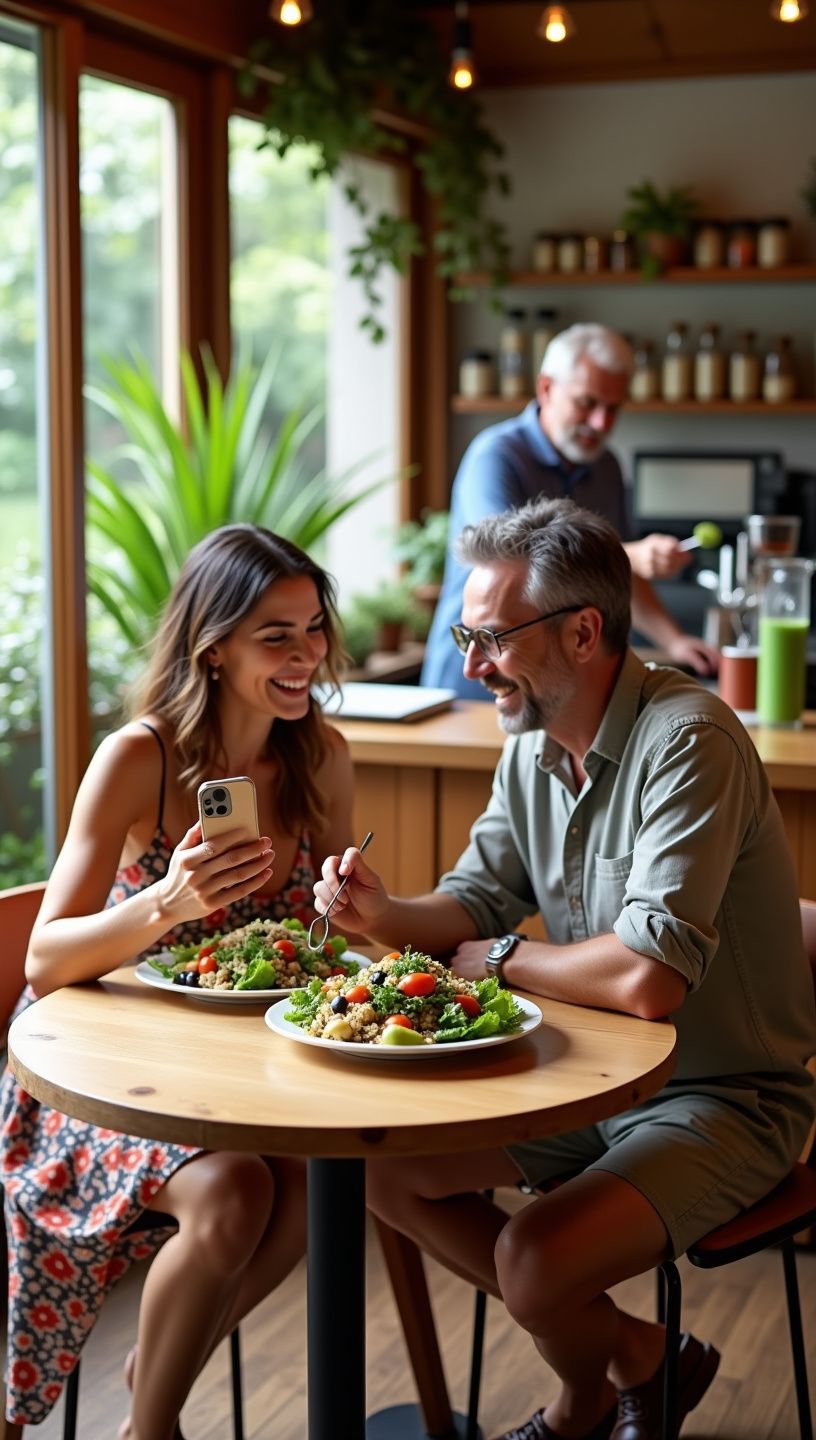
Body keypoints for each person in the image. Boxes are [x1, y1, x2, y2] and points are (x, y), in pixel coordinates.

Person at [314, 497, 816, 1440]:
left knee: (534, 1263)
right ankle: (641, 1357)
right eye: (468, 634)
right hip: (594, 1080)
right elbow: (467, 904)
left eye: (492, 638)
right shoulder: (532, 747)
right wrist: (381, 912)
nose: (470, 666)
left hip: (728, 1099)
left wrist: (503, 960)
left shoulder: (689, 741)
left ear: (583, 633)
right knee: (378, 1175)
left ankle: (581, 1399)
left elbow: (647, 977)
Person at [0, 524, 355, 1440]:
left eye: (314, 628)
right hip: (102, 1072)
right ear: (214, 646)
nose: (307, 655)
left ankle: (158, 1362)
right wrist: (165, 903)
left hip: (242, 1068)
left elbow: (322, 936)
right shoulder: (140, 759)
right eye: (277, 636)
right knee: (239, 1194)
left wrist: (350, 911)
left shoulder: (320, 760)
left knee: (315, 1191)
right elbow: (46, 959)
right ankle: (147, 1429)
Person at [422, 323, 718, 698]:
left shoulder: (607, 466)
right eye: (587, 403)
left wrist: (675, 641)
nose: (602, 423)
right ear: (546, 388)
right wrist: (628, 556)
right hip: (472, 681)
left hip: (547, 688)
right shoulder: (495, 455)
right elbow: (511, 563)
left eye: (613, 408)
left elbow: (619, 577)